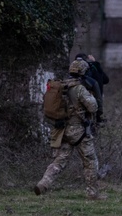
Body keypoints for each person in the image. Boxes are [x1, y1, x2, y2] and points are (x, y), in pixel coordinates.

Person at [34, 57, 105, 199]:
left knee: (60, 160)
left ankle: (43, 183)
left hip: (62, 130)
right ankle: (92, 193)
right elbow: (93, 107)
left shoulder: (60, 86)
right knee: (90, 161)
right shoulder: (79, 88)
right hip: (79, 131)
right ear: (83, 71)